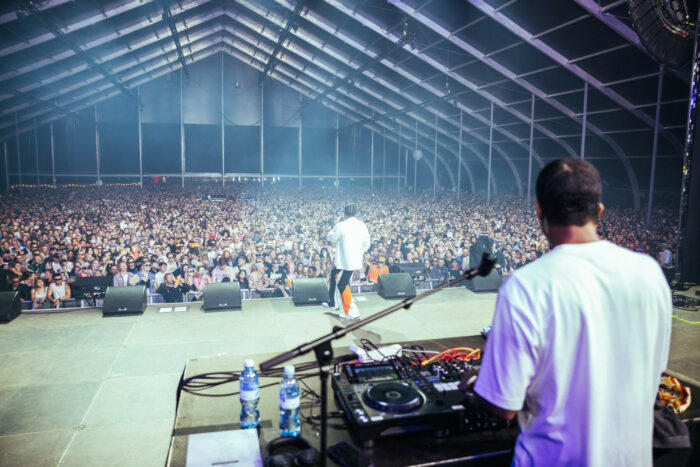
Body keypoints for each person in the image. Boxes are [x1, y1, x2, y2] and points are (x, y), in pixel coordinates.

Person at [462, 158, 671, 466]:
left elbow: (504, 405)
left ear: (539, 211)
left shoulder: (526, 284)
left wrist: (472, 383)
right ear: (599, 211)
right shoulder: (650, 273)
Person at [325, 205, 370, 320]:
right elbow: (367, 243)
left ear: (344, 213)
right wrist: (360, 252)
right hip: (355, 261)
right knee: (334, 276)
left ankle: (352, 313)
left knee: (342, 284)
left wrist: (332, 229)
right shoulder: (362, 225)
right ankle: (333, 303)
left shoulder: (341, 225)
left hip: (344, 262)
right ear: (355, 213)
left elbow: (331, 238)